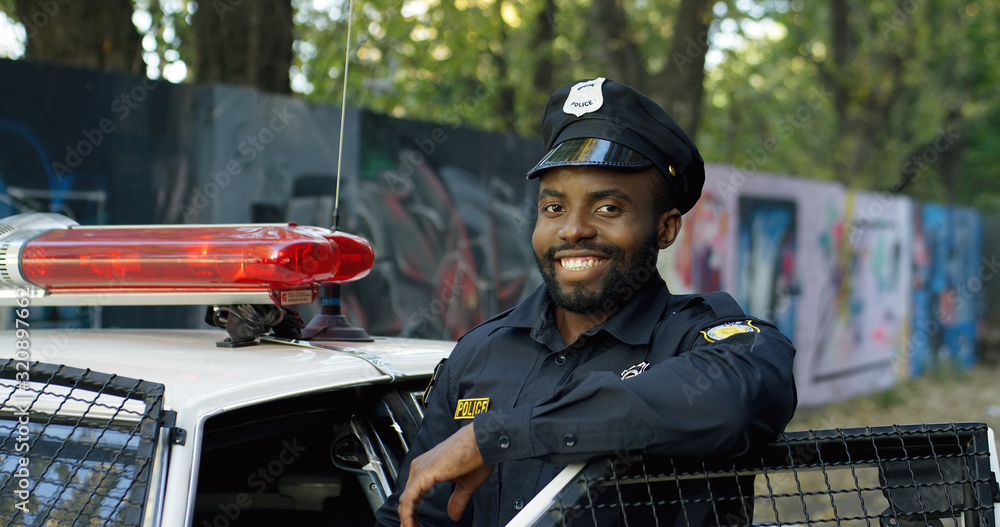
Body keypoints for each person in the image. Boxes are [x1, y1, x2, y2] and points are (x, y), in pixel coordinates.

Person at [375, 77, 797, 526]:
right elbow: (419, 515)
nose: (572, 230)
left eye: (608, 208)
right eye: (554, 208)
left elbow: (736, 401)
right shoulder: (479, 353)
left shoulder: (697, 340)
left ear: (666, 228)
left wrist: (499, 435)